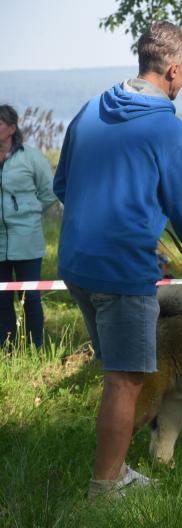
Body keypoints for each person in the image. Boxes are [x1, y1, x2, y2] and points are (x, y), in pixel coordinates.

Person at [53, 22, 182, 499]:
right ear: (172, 69)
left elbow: (62, 185)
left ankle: (115, 470)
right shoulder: (170, 131)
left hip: (75, 262)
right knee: (126, 380)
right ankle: (105, 487)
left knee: (117, 373)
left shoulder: (91, 109)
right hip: (121, 271)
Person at [0, 104, 59, 349]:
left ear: (12, 128)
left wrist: (29, 212)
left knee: (31, 297)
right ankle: (7, 348)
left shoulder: (31, 157)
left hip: (27, 239)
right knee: (2, 299)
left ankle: (35, 347)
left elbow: (50, 192)